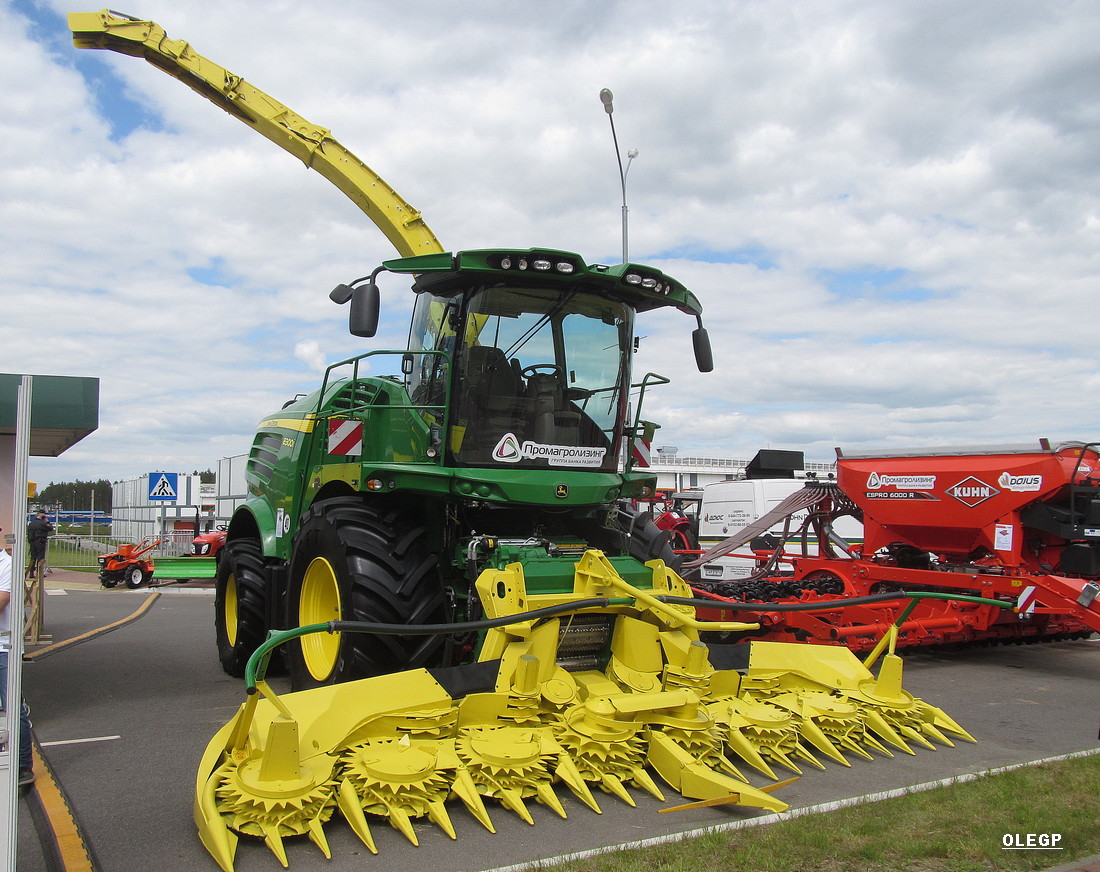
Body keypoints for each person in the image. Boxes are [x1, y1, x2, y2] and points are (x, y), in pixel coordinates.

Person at [0, 527, 34, 786]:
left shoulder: (7, 565)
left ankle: (23, 766)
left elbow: (2, 600)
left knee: (13, 708)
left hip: (5, 648)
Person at [26, 509, 53, 579]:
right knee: (40, 558)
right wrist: (47, 521)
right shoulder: (42, 523)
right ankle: (39, 573)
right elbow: (50, 528)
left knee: (33, 557)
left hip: (32, 542)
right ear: (41, 514)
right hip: (40, 541)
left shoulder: (31, 523)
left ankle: (31, 573)